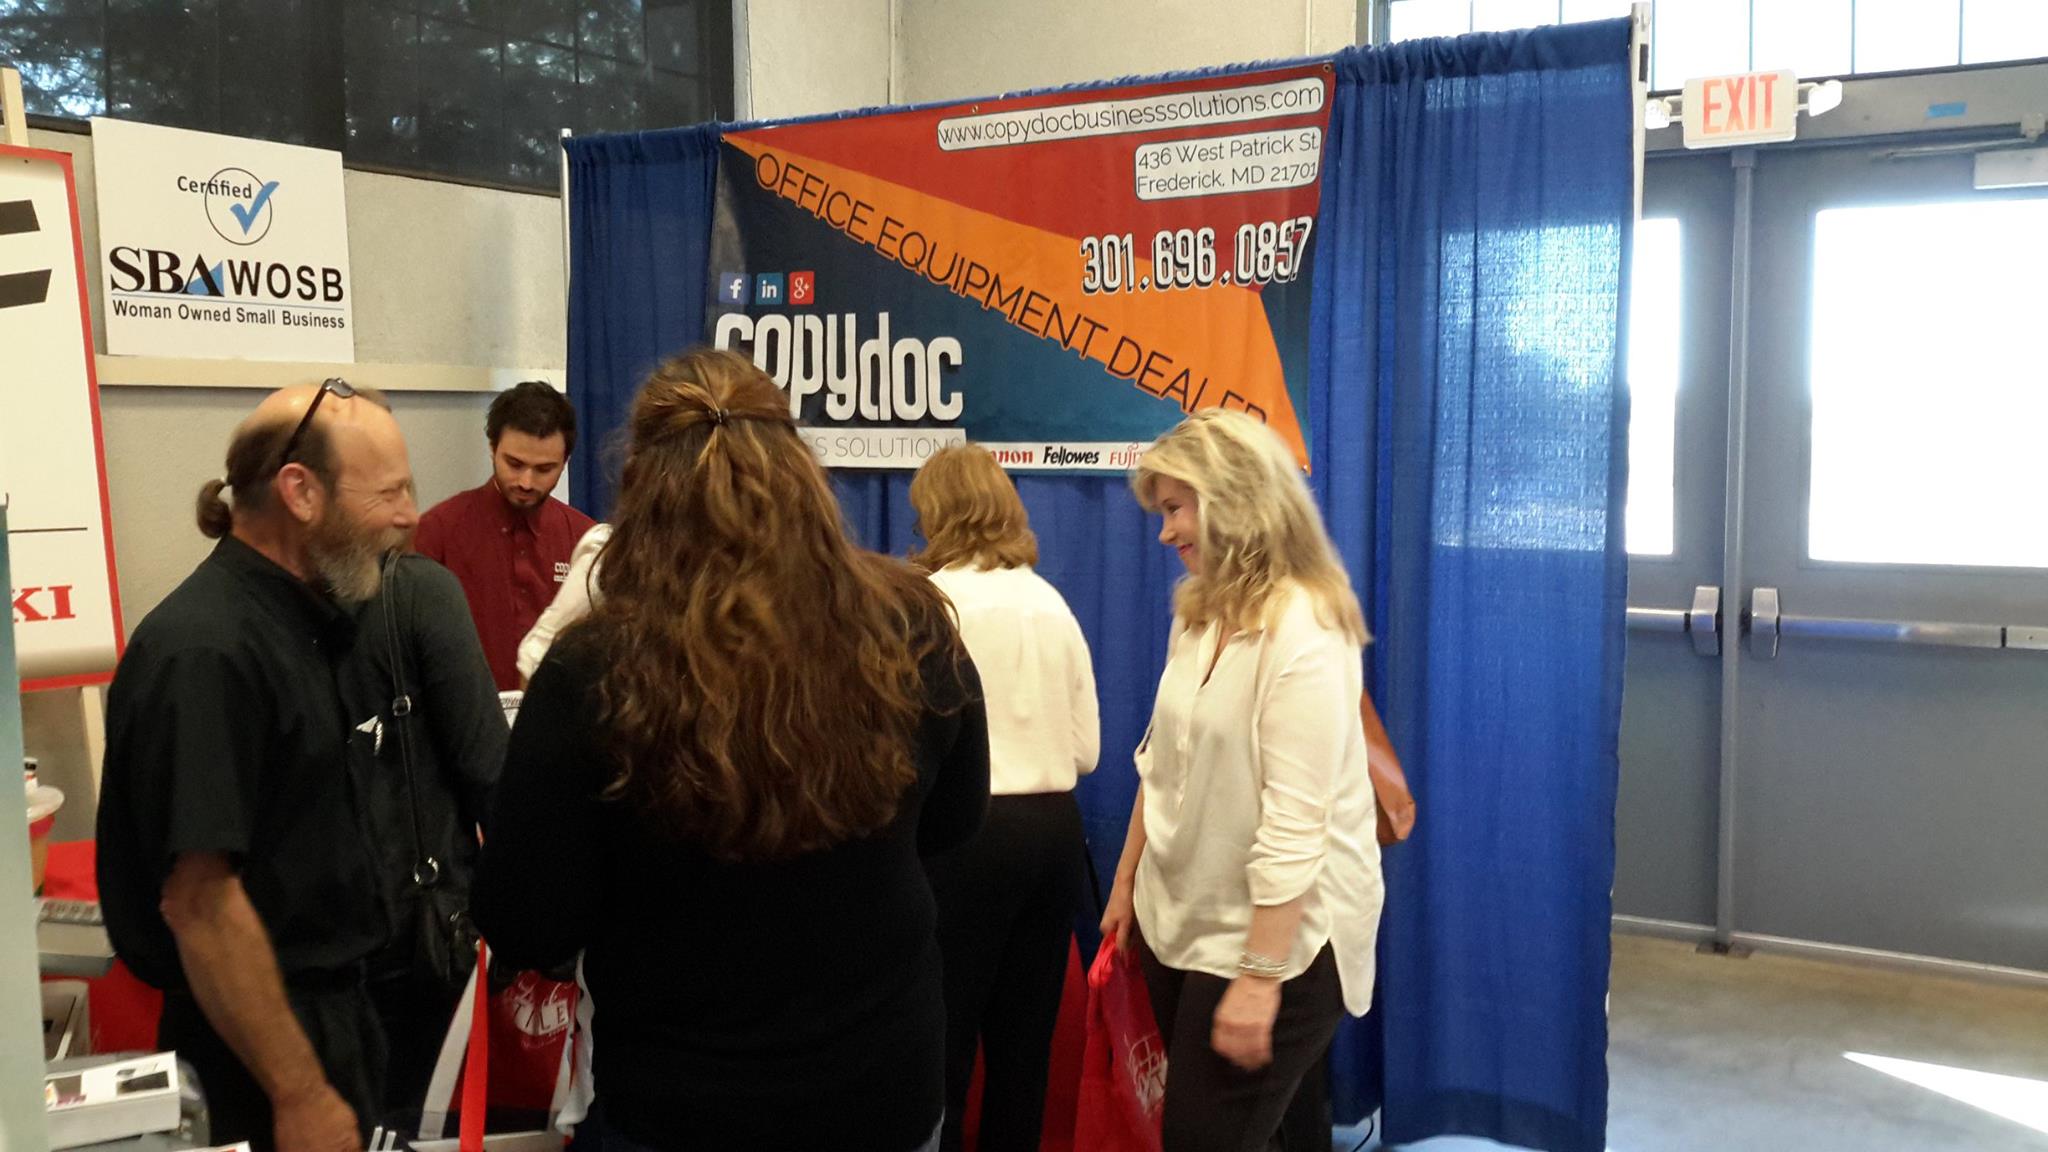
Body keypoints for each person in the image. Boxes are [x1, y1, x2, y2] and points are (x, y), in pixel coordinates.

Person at [470, 348, 990, 1152]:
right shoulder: (911, 624)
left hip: (682, 1102)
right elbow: (955, 820)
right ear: (801, 471)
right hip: (882, 1084)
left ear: (641, 485)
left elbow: (527, 923)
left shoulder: (595, 669)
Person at [97, 381, 417, 1152]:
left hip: (331, 1023)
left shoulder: (308, 622)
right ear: (300, 492)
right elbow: (201, 903)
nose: (410, 515)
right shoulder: (208, 653)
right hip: (258, 1058)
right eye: (390, 493)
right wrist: (299, 1093)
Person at [1098, 408, 1384, 1152]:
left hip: (1280, 940)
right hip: (1185, 917)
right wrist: (1128, 882)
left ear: (1233, 498)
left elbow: (1295, 822)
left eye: (1175, 508)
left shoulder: (1306, 627)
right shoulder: (1197, 614)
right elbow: (1163, 761)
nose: (1165, 533)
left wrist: (1259, 978)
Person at [908, 444, 1100, 1152]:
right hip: (1053, 837)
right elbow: (1086, 752)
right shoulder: (1052, 603)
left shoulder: (931, 605)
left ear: (938, 512)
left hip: (964, 838)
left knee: (945, 1040)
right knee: (1025, 1049)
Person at [337, 550, 506, 1123]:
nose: (408, 512)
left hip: (308, 950)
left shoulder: (252, 605)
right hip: (415, 939)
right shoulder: (416, 591)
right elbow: (488, 769)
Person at [413, 380, 596, 690]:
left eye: (544, 469)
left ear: (565, 463)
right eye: (514, 464)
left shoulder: (585, 540)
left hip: (552, 712)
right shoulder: (437, 531)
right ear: (492, 448)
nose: (526, 482)